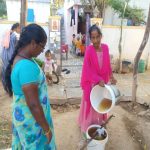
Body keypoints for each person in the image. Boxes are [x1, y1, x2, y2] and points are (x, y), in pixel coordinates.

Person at [3, 24, 56, 149]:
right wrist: (46, 129)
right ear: (33, 43)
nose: (42, 51)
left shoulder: (22, 59)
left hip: (25, 118)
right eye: (42, 47)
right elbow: (33, 104)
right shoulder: (26, 67)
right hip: (33, 122)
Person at [78, 25, 117, 134]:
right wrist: (97, 79)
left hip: (102, 82)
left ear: (101, 36)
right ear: (90, 38)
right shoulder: (89, 50)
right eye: (93, 38)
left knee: (101, 101)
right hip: (92, 83)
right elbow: (87, 69)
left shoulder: (105, 47)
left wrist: (112, 77)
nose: (95, 40)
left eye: (97, 37)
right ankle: (88, 125)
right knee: (92, 103)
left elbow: (108, 64)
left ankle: (99, 123)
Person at [1, 23, 20, 91]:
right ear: (16, 28)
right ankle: (10, 89)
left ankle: (6, 87)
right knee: (10, 72)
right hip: (10, 56)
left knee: (4, 71)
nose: (19, 30)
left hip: (3, 55)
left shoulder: (6, 33)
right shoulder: (14, 36)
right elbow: (16, 47)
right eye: (19, 28)